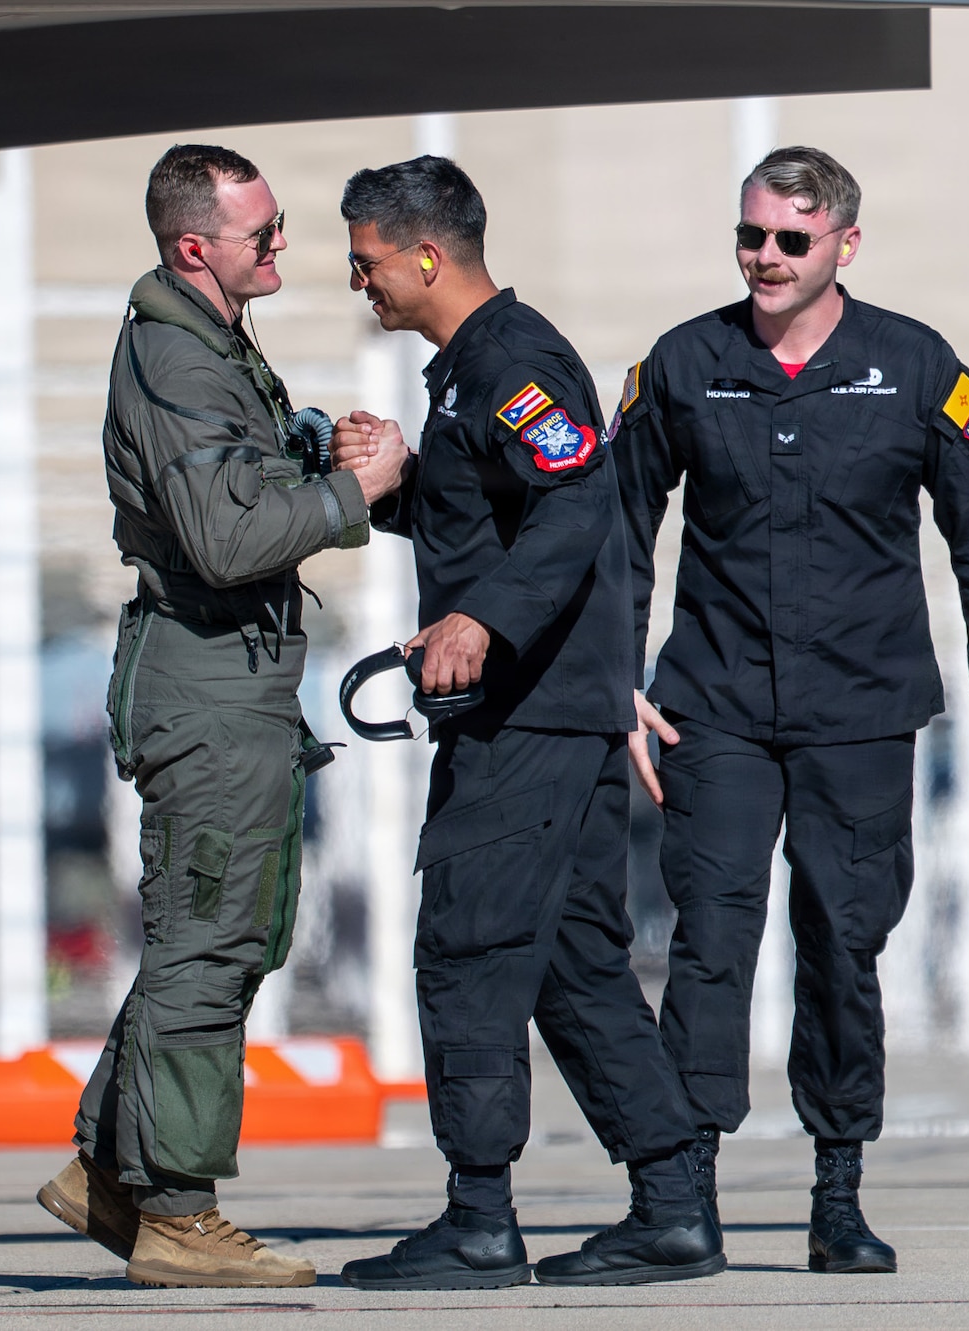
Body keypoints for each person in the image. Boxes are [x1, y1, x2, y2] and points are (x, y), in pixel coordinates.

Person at [613, 146, 969, 1274]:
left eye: (789, 240)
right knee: (709, 938)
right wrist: (610, 680)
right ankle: (681, 1194)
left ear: (842, 244)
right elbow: (618, 528)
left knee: (841, 940)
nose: (765, 257)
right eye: (750, 237)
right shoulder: (683, 363)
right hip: (710, 704)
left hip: (859, 710)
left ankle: (837, 1188)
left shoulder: (909, 366)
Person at [328, 155, 721, 1290]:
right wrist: (400, 488)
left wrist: (481, 625)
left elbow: (575, 498)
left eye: (366, 263)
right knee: (573, 966)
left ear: (424, 255)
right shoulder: (465, 376)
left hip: (528, 726)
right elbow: (493, 521)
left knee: (465, 947)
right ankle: (671, 1205)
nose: (361, 283)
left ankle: (478, 1218)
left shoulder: (514, 358)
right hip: (552, 717)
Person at [35, 143, 407, 1289]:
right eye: (263, 233)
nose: (284, 245)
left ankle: (106, 1168)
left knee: (228, 930)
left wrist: (311, 454)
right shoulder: (179, 359)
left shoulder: (209, 346)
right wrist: (359, 492)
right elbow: (226, 539)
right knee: (209, 938)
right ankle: (179, 1216)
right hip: (204, 677)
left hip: (227, 675)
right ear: (195, 246)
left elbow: (237, 489)